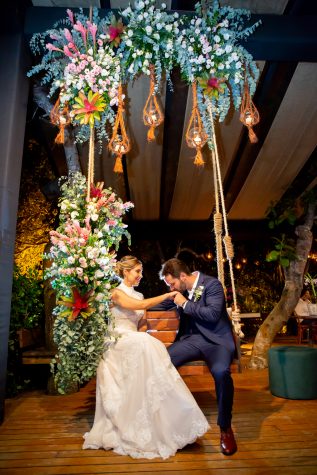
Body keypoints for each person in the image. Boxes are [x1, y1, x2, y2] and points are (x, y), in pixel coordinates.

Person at [83, 255, 209, 460]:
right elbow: (133, 306)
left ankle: (171, 420)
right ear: (125, 272)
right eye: (137, 271)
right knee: (148, 344)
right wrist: (166, 296)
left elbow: (141, 323)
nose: (140, 275)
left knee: (148, 343)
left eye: (140, 272)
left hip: (134, 339)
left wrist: (143, 332)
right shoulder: (115, 293)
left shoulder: (140, 296)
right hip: (117, 340)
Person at [155, 258, 237, 456]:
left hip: (217, 342)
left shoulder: (212, 285)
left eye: (172, 283)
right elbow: (160, 305)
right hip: (191, 340)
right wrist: (130, 303)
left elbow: (212, 314)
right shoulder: (181, 291)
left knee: (221, 372)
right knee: (160, 363)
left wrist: (184, 304)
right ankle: (168, 422)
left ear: (182, 276)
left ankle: (225, 427)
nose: (171, 288)